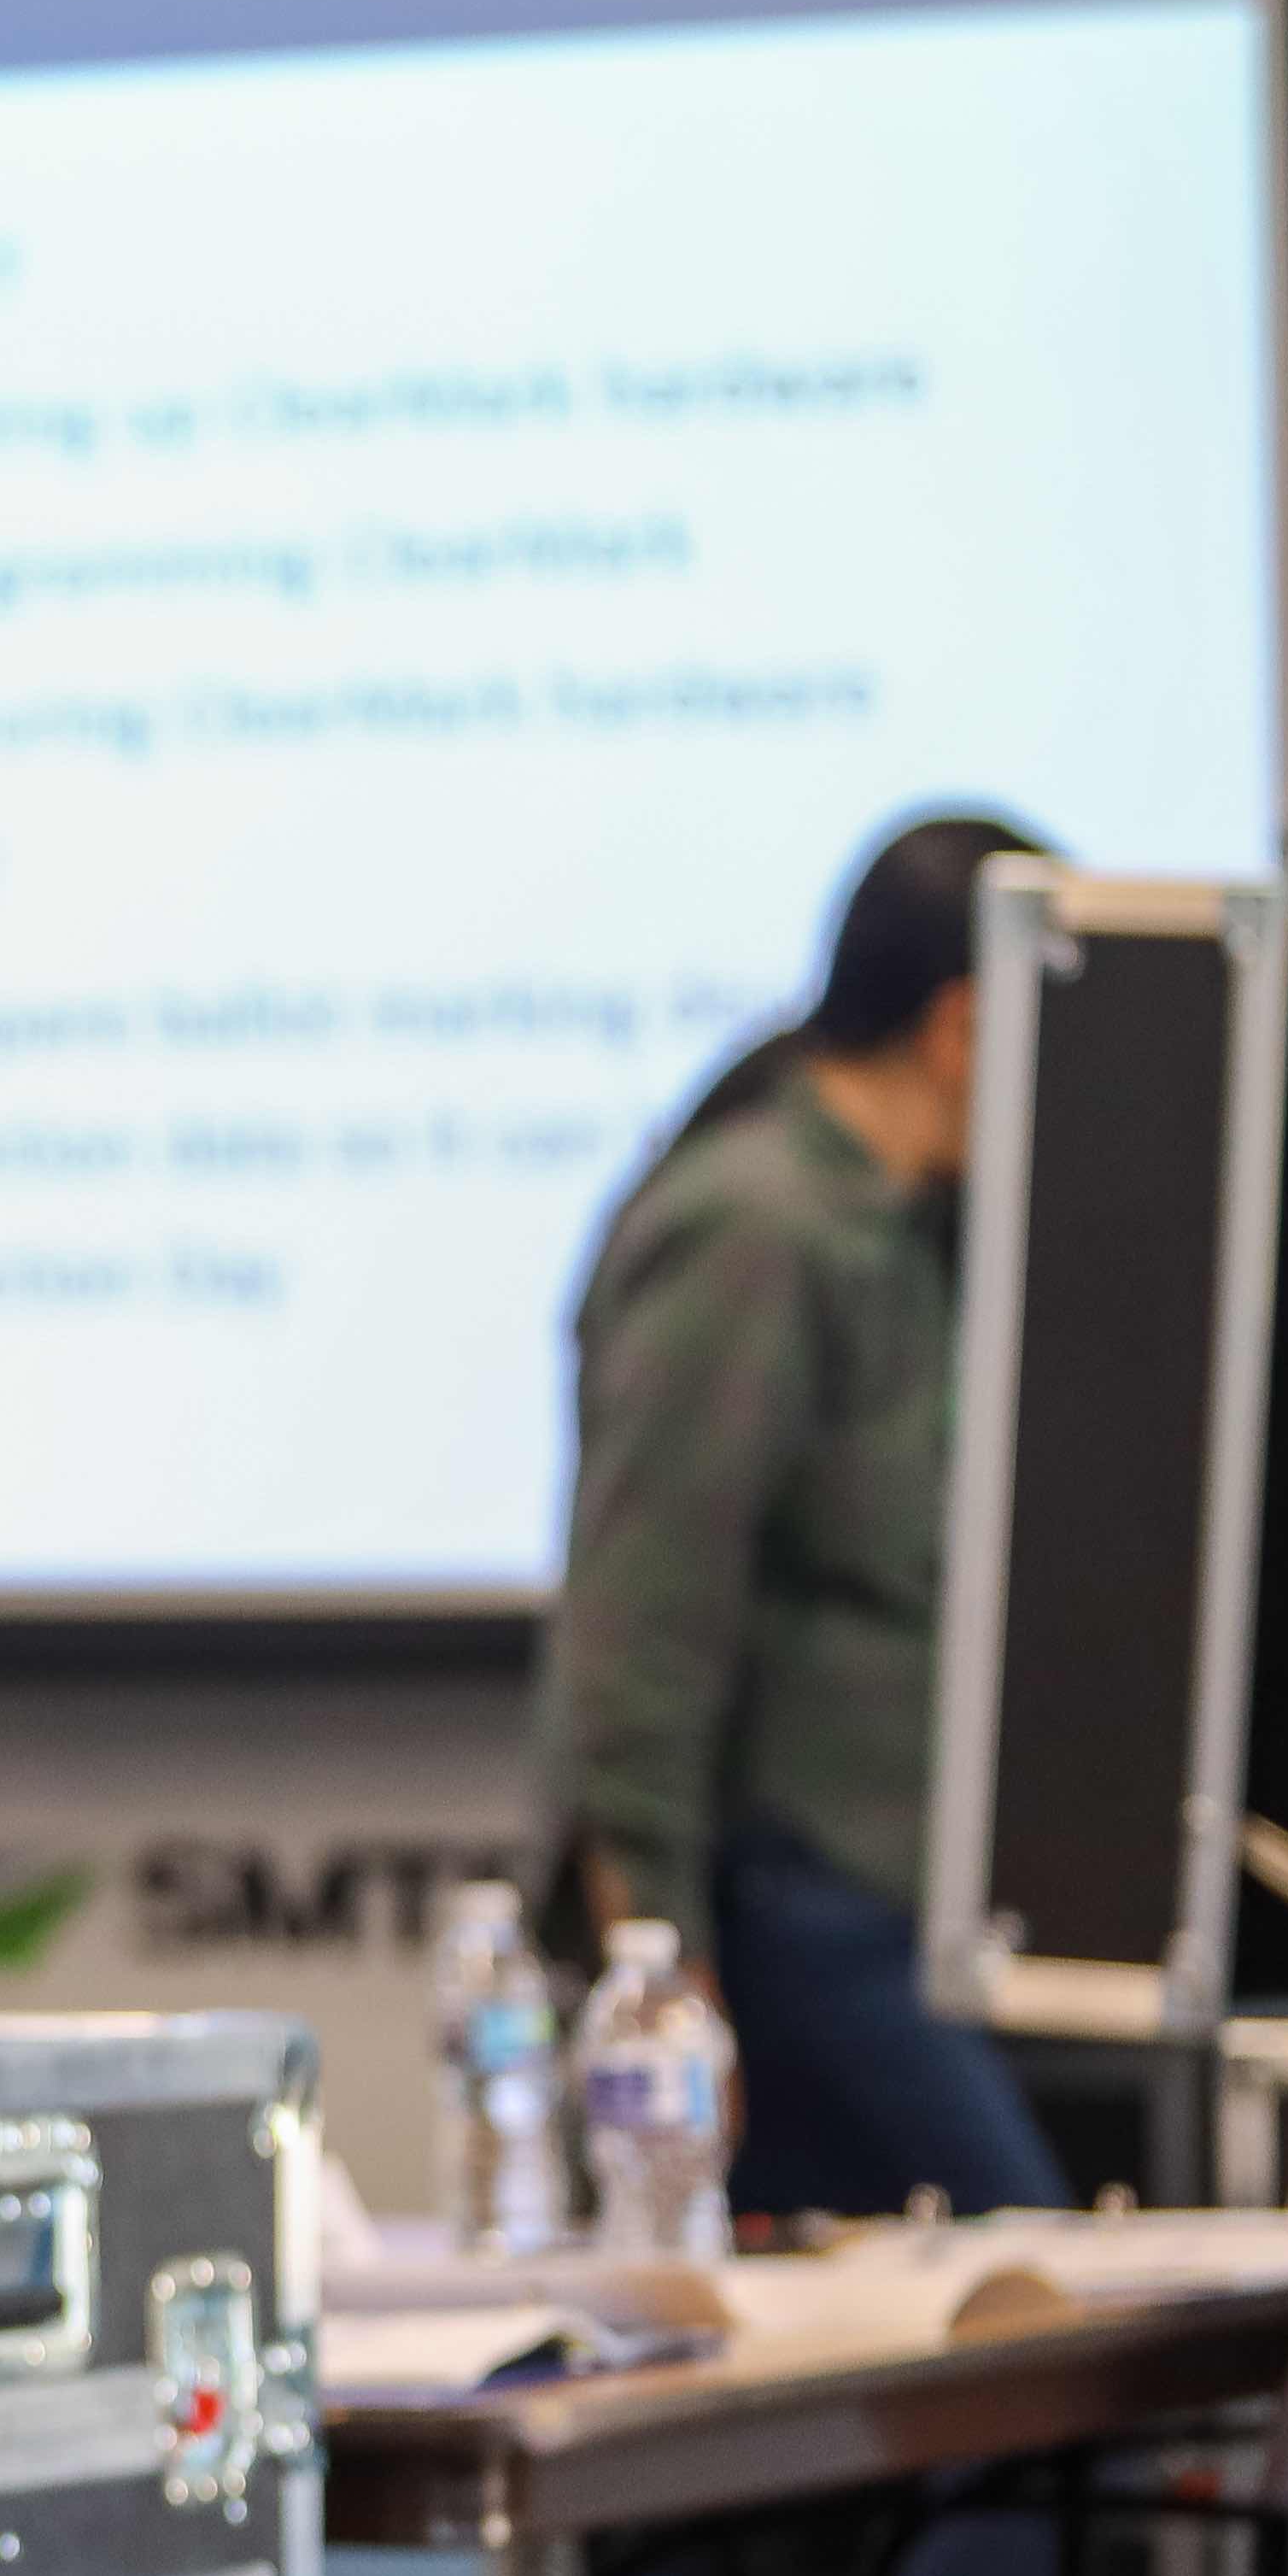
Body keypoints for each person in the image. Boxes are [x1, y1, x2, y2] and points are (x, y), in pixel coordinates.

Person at [538, 809, 1064, 2221]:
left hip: (902, 1904)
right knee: (1022, 2264)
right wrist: (663, 1970)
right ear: (962, 1026)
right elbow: (641, 1620)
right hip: (795, 1908)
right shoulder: (757, 1228)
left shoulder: (912, 1229)